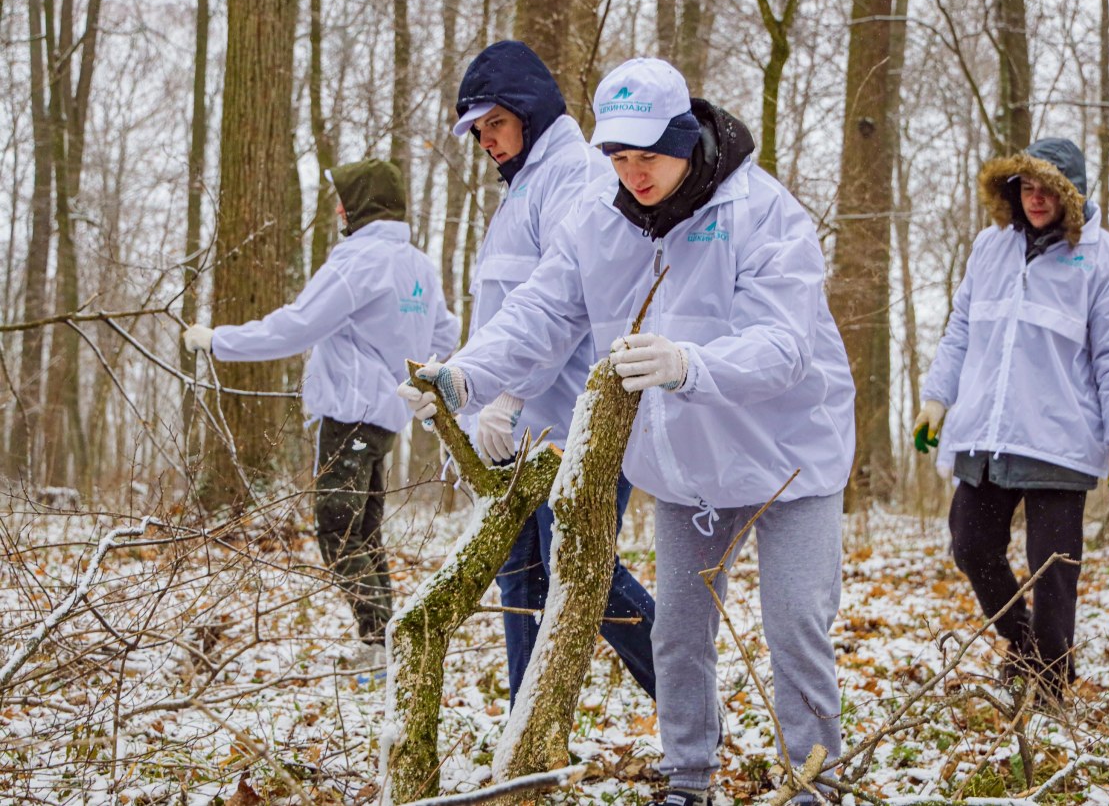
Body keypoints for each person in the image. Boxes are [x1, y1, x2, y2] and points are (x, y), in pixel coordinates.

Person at [398, 58, 855, 806]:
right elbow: (540, 315)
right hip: (685, 468)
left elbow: (786, 346)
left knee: (796, 623)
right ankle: (687, 779)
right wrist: (465, 376)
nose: (633, 173)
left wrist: (689, 363)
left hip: (790, 456)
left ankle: (816, 781)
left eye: (648, 155)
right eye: (618, 156)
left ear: (685, 136)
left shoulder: (761, 213)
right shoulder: (596, 223)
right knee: (676, 629)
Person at [184, 158, 459, 670]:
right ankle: (386, 642)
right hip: (387, 417)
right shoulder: (415, 263)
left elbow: (297, 326)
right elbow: (443, 335)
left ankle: (378, 645)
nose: (337, 209)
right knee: (364, 530)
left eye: (344, 200)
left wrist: (219, 341)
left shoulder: (359, 261)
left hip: (351, 414)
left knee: (337, 530)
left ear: (361, 207)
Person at [449, 39, 656, 703]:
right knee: (521, 580)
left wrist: (505, 395)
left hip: (573, 424)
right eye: (479, 131)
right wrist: (474, 403)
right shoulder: (524, 190)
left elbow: (564, 308)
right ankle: (525, 737)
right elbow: (505, 313)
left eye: (496, 124)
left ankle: (691, 702)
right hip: (521, 433)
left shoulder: (575, 176)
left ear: (530, 112)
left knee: (583, 575)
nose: (487, 141)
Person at [914, 137, 1109, 702]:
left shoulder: (1107, 260)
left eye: (1048, 189)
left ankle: (1050, 685)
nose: (1035, 199)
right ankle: (1025, 651)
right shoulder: (989, 246)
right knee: (971, 545)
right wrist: (936, 399)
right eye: (1026, 187)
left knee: (1054, 568)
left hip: (1059, 437)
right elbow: (961, 330)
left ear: (1072, 194)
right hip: (985, 430)